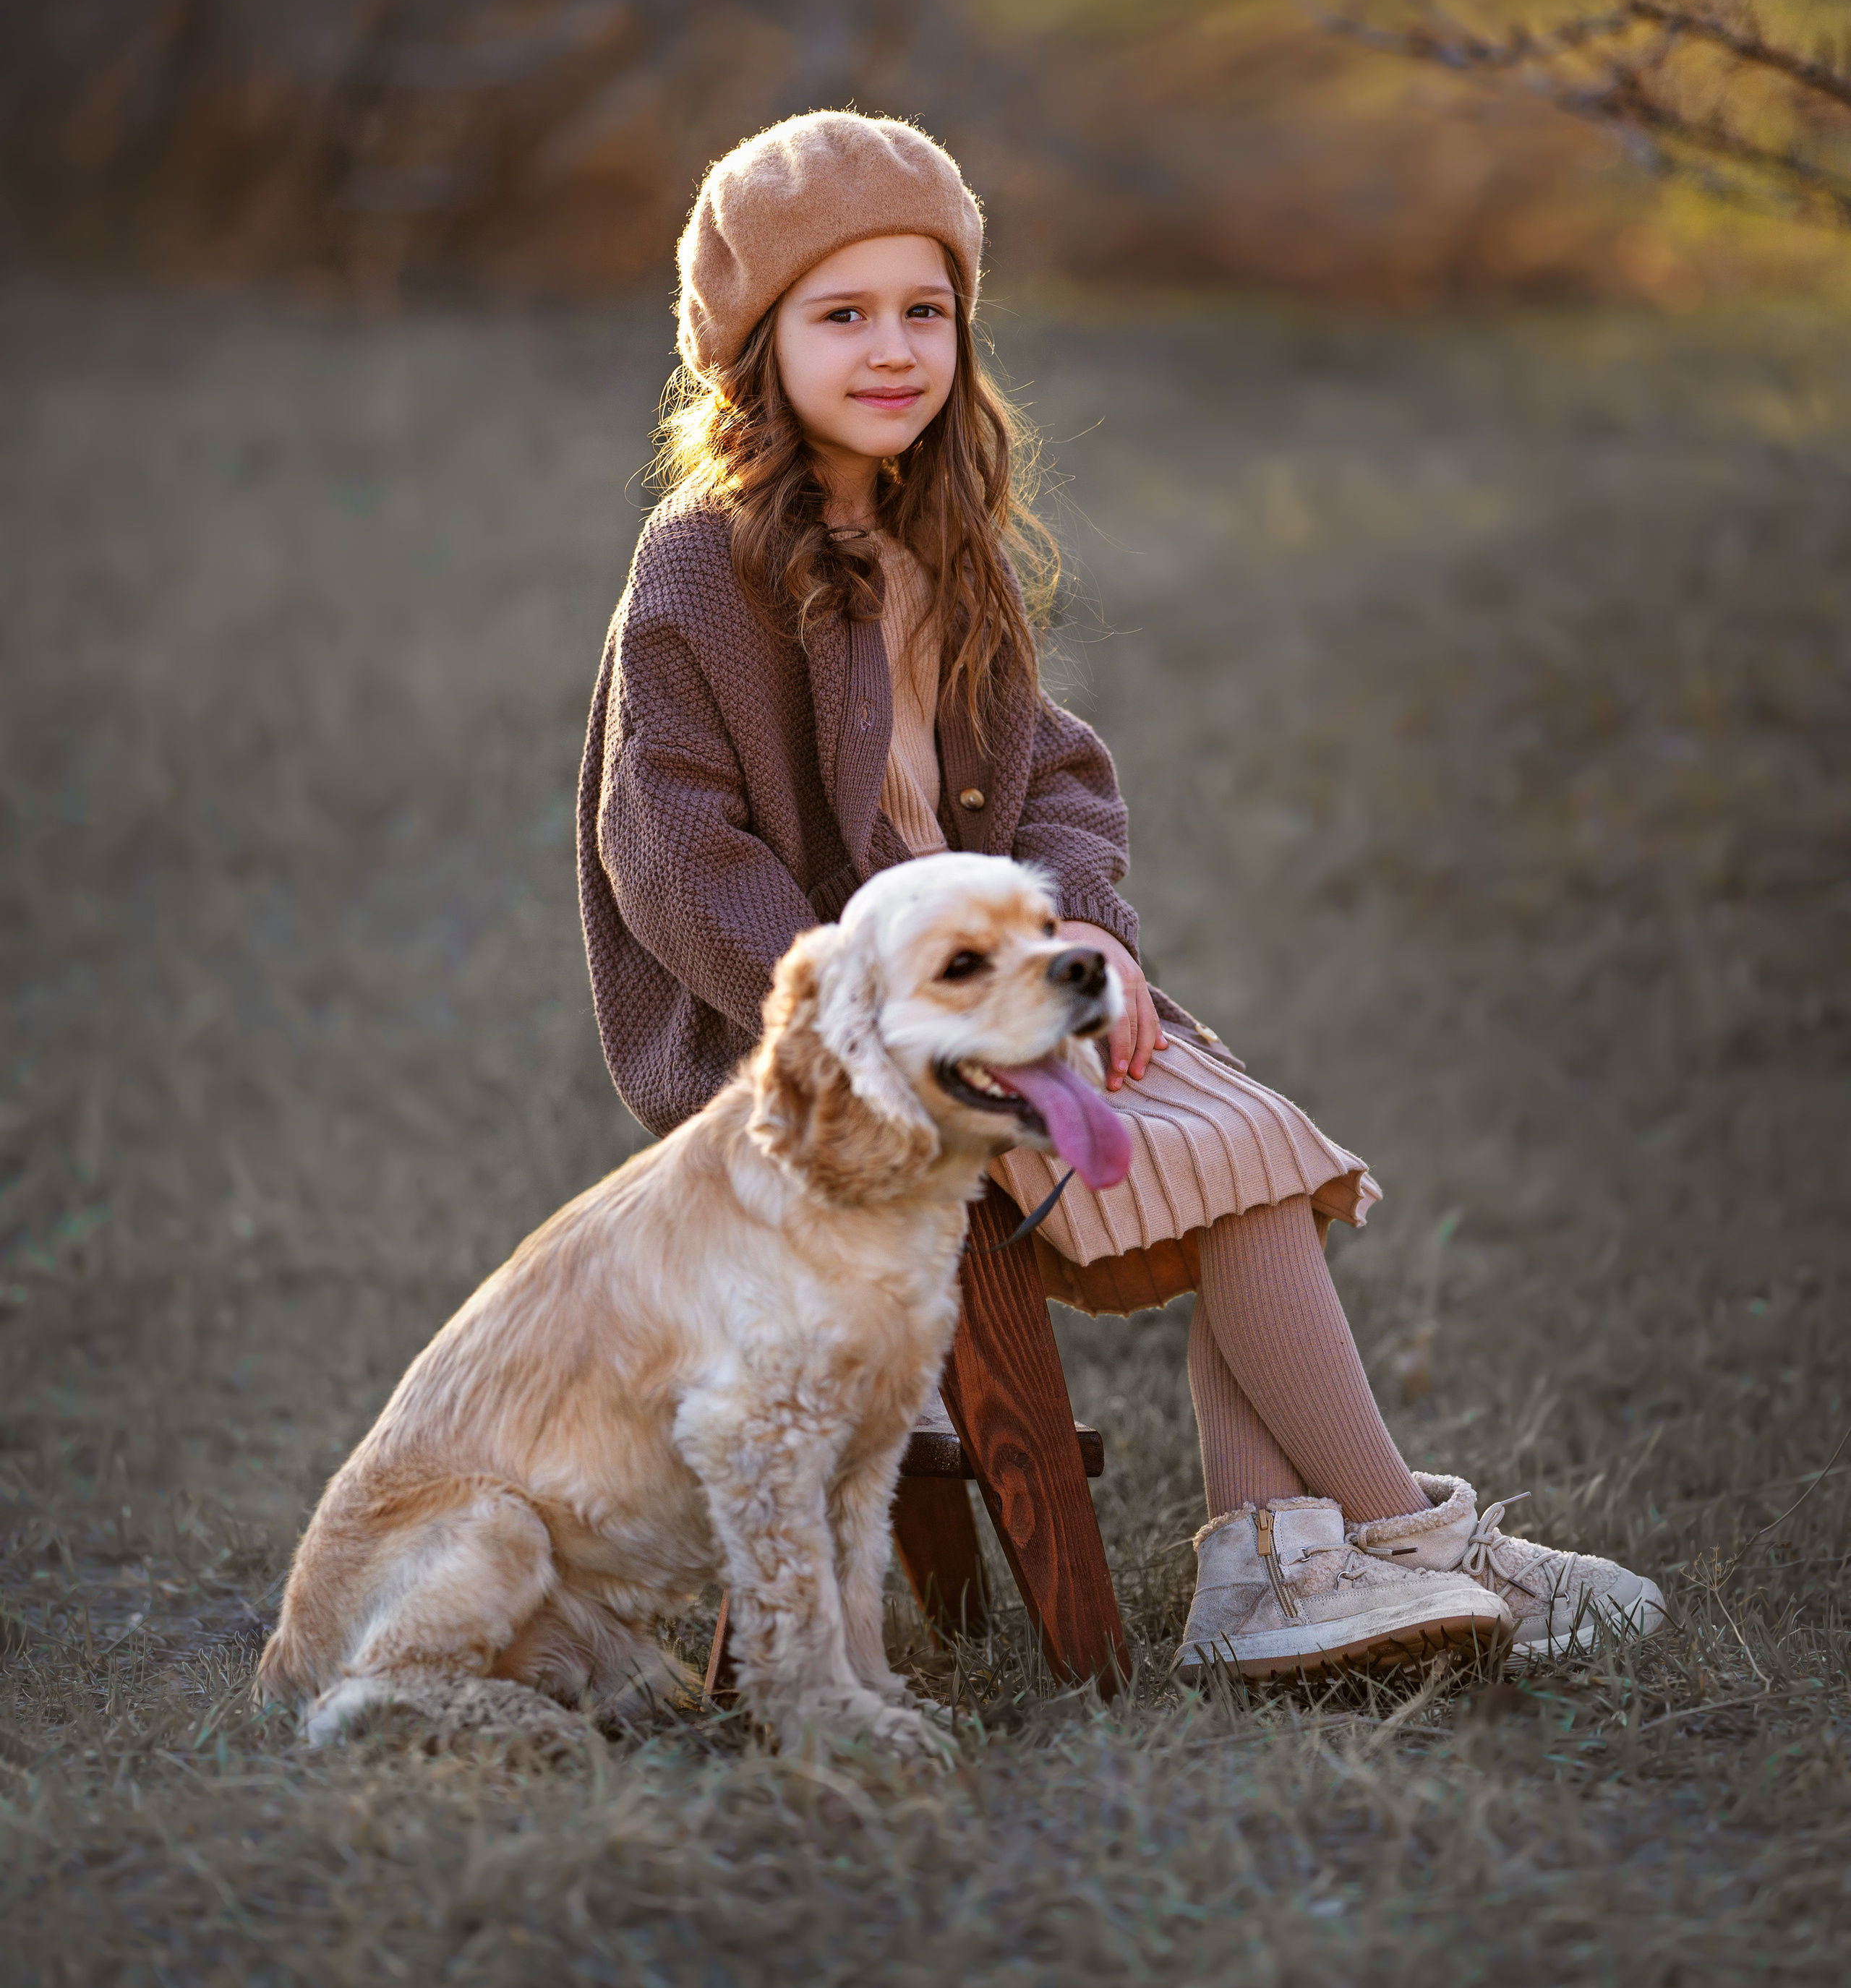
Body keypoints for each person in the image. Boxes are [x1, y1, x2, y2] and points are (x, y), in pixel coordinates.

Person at [576, 109, 1664, 1679]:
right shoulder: (699, 568)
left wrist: (1080, 920)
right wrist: (861, 1012)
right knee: (1241, 1156)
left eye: (924, 311)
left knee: (1250, 1147)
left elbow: (1056, 777)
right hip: (833, 1050)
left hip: (1000, 997)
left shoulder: (947, 547)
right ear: (755, 344)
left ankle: (1273, 1562)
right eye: (842, 314)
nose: (893, 349)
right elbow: (669, 851)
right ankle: (1397, 1535)